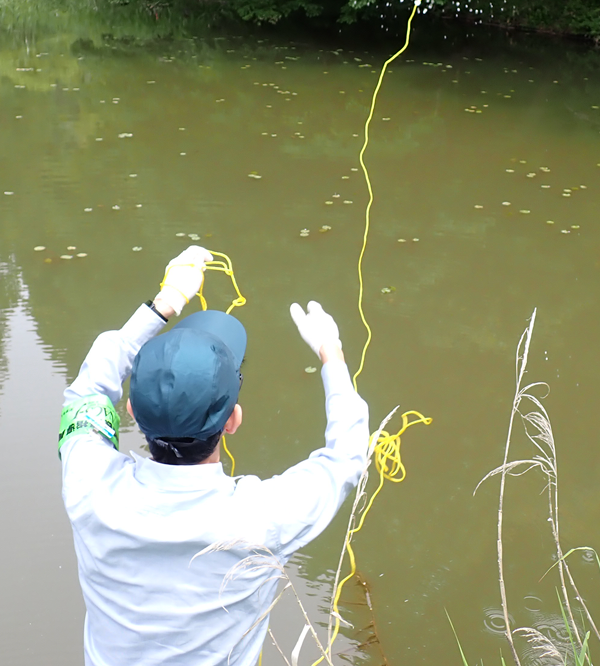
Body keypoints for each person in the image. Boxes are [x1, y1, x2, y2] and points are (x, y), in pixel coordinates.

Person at [58, 245, 370, 665]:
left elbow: (87, 390)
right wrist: (331, 353)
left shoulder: (89, 485)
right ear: (233, 421)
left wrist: (165, 303)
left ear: (131, 412)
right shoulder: (262, 519)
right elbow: (348, 458)